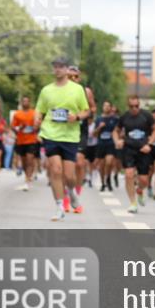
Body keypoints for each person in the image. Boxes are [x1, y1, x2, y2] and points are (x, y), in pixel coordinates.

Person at [35, 57, 91, 220]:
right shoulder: (46, 90)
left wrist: (77, 117)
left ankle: (72, 192)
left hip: (70, 136)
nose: (58, 69)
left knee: (69, 176)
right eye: (55, 66)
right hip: (50, 134)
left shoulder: (77, 89)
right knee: (55, 170)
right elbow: (40, 109)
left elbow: (86, 111)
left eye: (61, 67)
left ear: (67, 70)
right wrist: (37, 119)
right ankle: (59, 206)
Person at [113, 95, 155, 213]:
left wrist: (149, 144)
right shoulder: (124, 117)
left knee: (144, 180)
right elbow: (116, 131)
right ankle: (133, 203)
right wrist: (117, 140)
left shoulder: (146, 115)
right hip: (128, 148)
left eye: (137, 106)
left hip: (143, 149)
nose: (134, 108)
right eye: (131, 106)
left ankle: (139, 190)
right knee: (129, 174)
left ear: (139, 105)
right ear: (128, 106)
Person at [68, 66, 97, 203]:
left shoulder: (86, 91)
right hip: (63, 131)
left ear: (79, 78)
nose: (73, 79)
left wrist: (86, 115)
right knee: (67, 164)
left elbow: (93, 107)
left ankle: (77, 192)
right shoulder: (60, 90)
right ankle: (67, 192)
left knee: (79, 163)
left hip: (80, 130)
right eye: (70, 76)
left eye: (76, 77)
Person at [11, 96, 40, 191]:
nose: (25, 102)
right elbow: (13, 127)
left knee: (30, 160)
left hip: (31, 140)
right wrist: (20, 128)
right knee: (24, 162)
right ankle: (27, 176)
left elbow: (38, 126)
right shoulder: (17, 114)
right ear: (21, 103)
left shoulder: (34, 113)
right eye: (24, 101)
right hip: (21, 141)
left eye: (27, 101)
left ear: (30, 102)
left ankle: (28, 180)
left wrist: (36, 127)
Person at [93, 101, 119, 192]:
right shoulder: (99, 119)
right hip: (101, 144)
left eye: (108, 106)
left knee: (109, 162)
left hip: (110, 144)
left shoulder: (115, 119)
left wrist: (117, 137)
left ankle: (108, 178)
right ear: (103, 107)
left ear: (111, 108)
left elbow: (119, 131)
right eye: (105, 106)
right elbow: (94, 134)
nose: (106, 107)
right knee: (102, 165)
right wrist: (99, 127)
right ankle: (103, 183)